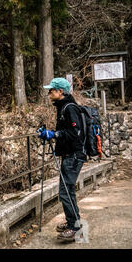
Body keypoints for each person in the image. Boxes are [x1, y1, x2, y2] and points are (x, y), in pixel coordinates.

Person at [38, 77, 87, 241]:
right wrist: (49, 133)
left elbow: (75, 133)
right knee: (67, 191)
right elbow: (67, 131)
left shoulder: (69, 108)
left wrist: (55, 134)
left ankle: (75, 228)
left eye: (51, 90)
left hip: (74, 155)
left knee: (65, 192)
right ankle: (73, 221)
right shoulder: (63, 107)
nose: (49, 93)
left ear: (60, 92)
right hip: (70, 155)